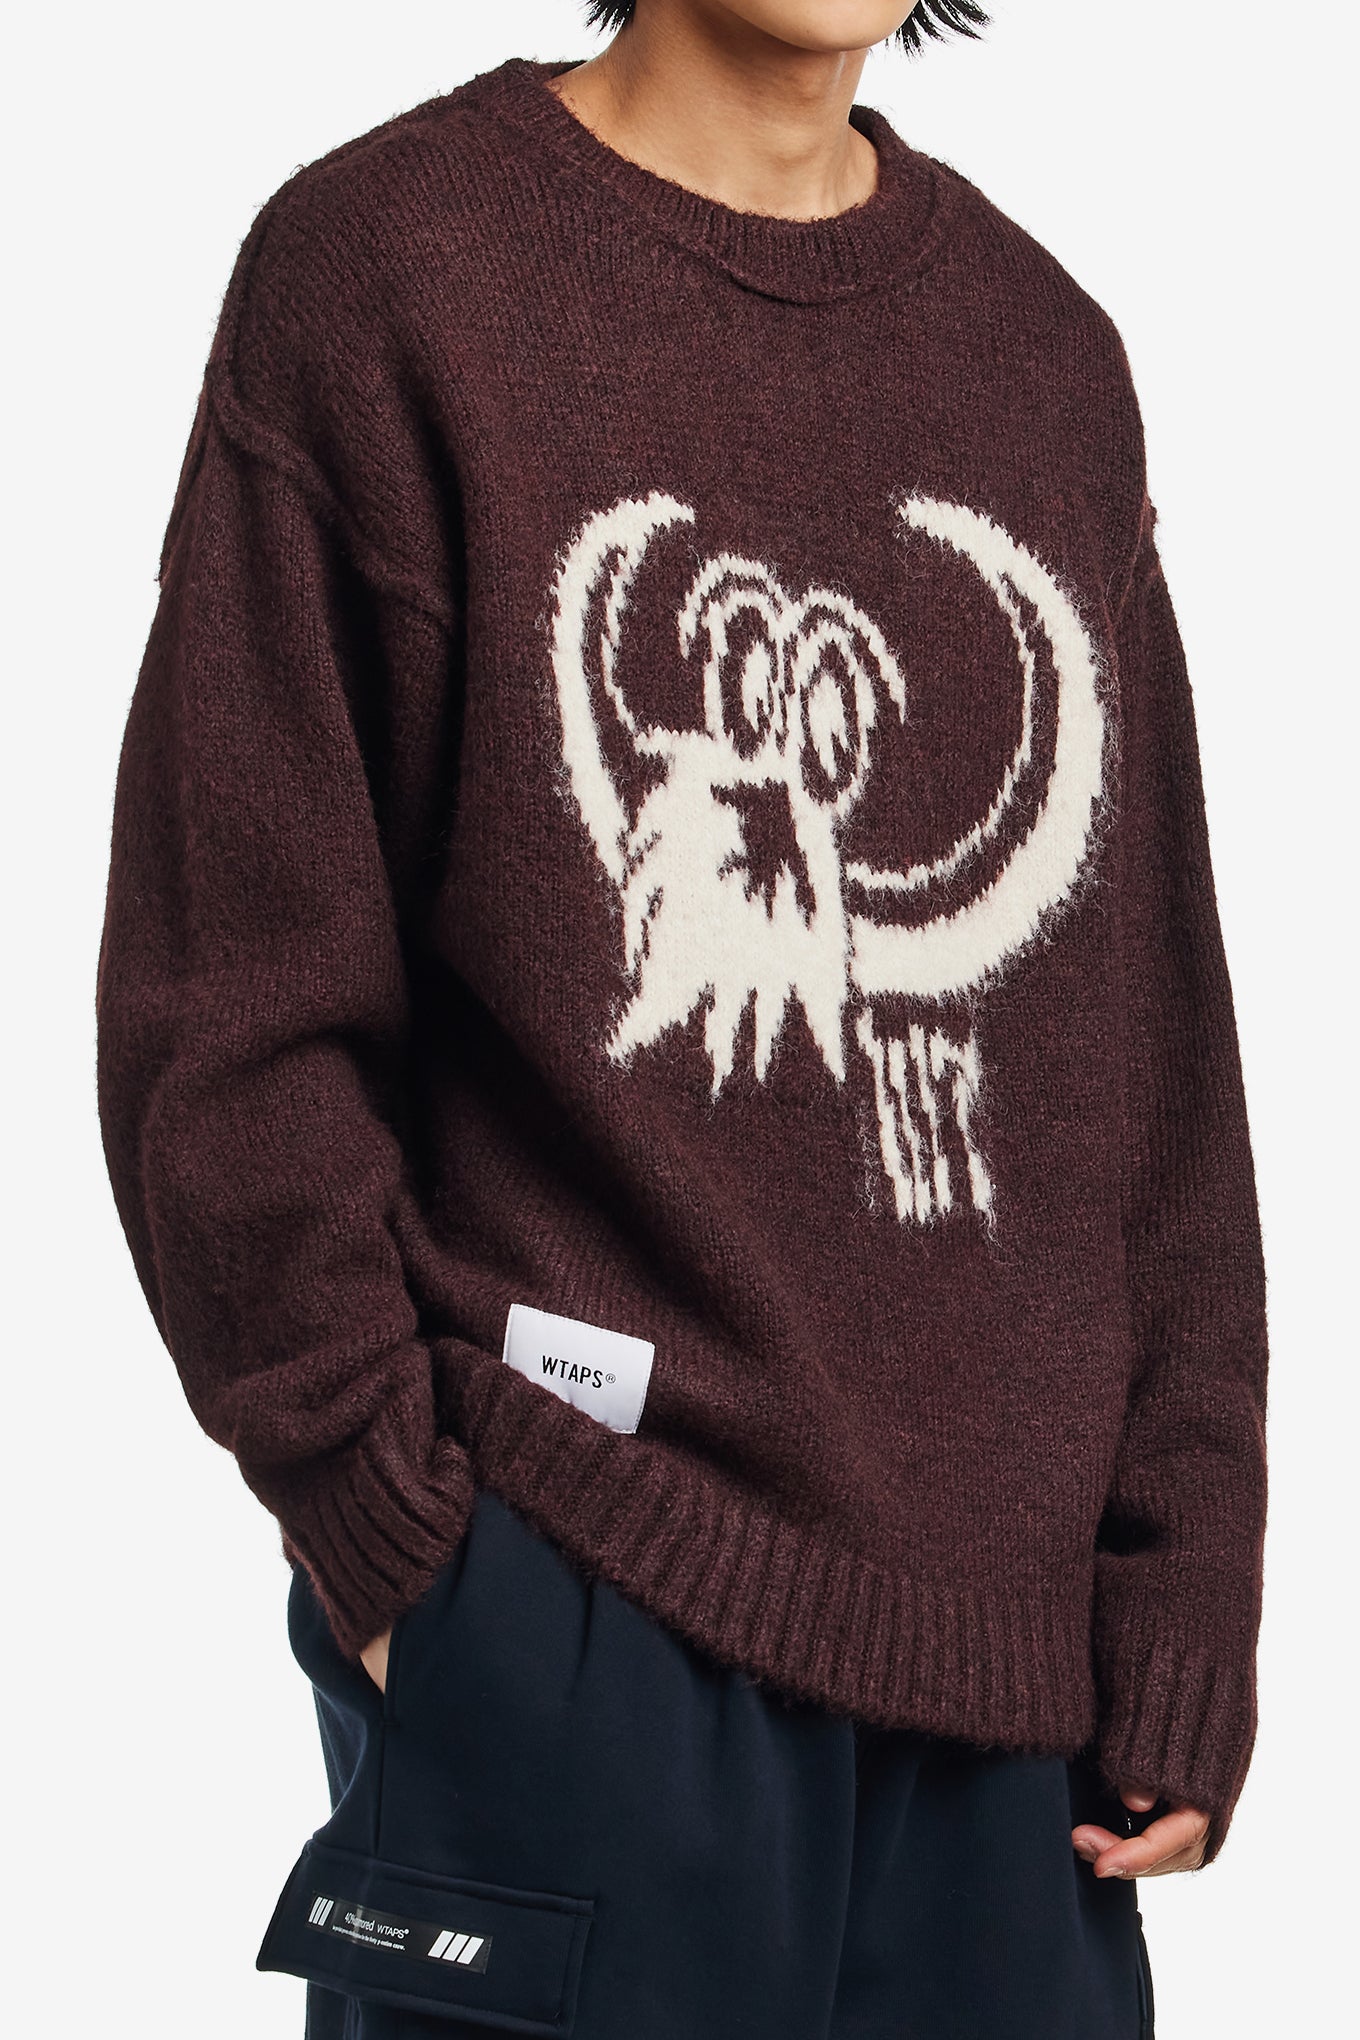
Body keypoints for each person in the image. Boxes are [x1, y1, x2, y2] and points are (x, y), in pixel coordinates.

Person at [95, 3, 1270, 2035]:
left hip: (1019, 1743)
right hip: (576, 1617)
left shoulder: (1042, 358)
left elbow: (1152, 1058)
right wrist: (406, 1556)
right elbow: (235, 999)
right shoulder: (388, 273)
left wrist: (1178, 1586)